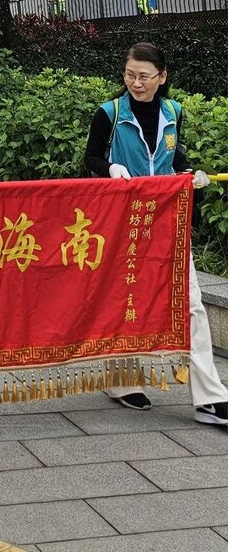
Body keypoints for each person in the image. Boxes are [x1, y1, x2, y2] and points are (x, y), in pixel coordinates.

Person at [85, 42, 226, 425]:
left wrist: (188, 173)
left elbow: (174, 156)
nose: (136, 82)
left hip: (166, 219)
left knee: (191, 303)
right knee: (123, 298)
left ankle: (211, 397)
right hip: (122, 222)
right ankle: (121, 380)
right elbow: (91, 158)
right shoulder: (109, 113)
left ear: (162, 78)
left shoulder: (174, 112)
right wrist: (110, 168)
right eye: (130, 74)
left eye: (144, 76)